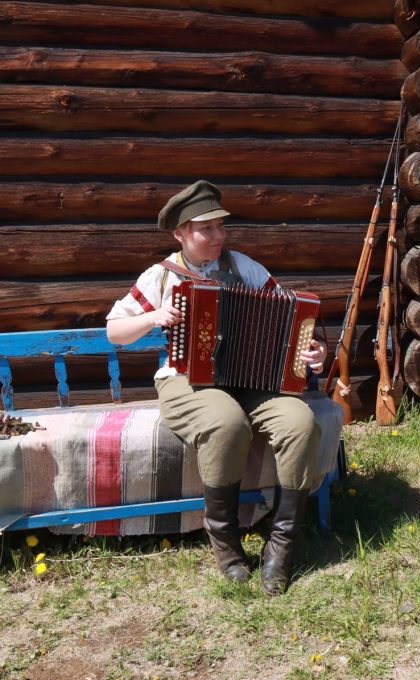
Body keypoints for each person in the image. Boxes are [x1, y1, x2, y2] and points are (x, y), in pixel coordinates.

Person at [106, 180, 327, 595]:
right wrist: (154, 318)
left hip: (253, 381)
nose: (217, 236)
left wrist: (313, 352)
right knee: (227, 424)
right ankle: (226, 547)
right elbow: (114, 330)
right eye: (205, 229)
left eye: (221, 226)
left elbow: (292, 319)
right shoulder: (160, 276)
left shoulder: (245, 267)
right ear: (180, 234)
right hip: (186, 381)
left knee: (301, 422)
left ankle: (280, 549)